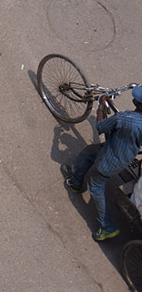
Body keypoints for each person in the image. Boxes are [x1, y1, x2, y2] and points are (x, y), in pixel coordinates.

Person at [62, 86, 142, 241]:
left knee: (96, 187)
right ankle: (76, 180)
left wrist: (100, 106)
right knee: (89, 152)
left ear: (138, 104)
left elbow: (100, 127)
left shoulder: (123, 118)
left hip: (109, 160)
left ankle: (106, 226)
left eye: (137, 99)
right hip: (124, 153)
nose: (134, 98)